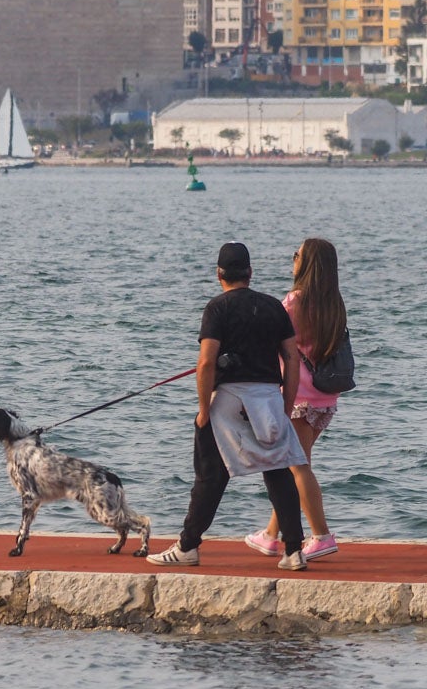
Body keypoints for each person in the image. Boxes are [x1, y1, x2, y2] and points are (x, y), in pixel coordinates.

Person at [147, 241, 311, 571]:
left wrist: (204, 411)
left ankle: (188, 546)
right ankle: (294, 551)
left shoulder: (217, 308)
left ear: (219, 275)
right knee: (279, 471)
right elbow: (292, 359)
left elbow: (207, 362)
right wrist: (286, 404)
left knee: (210, 475)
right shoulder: (273, 308)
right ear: (250, 273)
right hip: (267, 399)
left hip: (228, 401)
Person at [244, 238, 347, 561]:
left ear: (308, 263)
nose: (293, 259)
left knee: (297, 466)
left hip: (299, 398)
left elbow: (269, 339)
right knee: (292, 465)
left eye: (297, 255)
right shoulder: (334, 303)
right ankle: (272, 534)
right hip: (324, 397)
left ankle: (321, 535)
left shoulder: (294, 302)